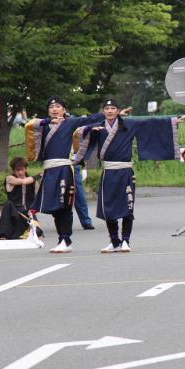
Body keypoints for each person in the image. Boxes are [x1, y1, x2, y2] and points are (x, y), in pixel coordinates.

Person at [75, 98, 184, 253]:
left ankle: (126, 240)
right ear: (103, 112)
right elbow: (80, 130)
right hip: (108, 172)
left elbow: (150, 124)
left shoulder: (129, 124)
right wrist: (88, 130)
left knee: (127, 206)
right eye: (107, 109)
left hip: (125, 171)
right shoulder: (98, 126)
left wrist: (172, 122)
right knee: (108, 208)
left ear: (118, 110)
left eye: (113, 108)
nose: (110, 111)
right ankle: (114, 241)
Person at [26, 96, 122, 253]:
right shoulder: (43, 125)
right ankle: (62, 239)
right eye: (51, 107)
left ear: (64, 109)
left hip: (64, 168)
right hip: (50, 169)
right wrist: (47, 122)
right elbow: (30, 125)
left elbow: (91, 119)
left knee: (64, 205)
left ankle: (66, 239)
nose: (54, 109)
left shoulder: (71, 123)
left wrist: (112, 114)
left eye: (58, 106)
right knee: (54, 207)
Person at [0, 157, 40, 240]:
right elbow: (22, 181)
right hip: (14, 212)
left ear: (26, 169)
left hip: (27, 213)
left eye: (22, 170)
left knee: (37, 232)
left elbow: (37, 196)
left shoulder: (33, 182)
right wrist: (38, 176)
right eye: (17, 170)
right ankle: (3, 233)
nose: (20, 172)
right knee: (8, 204)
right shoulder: (10, 178)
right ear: (13, 170)